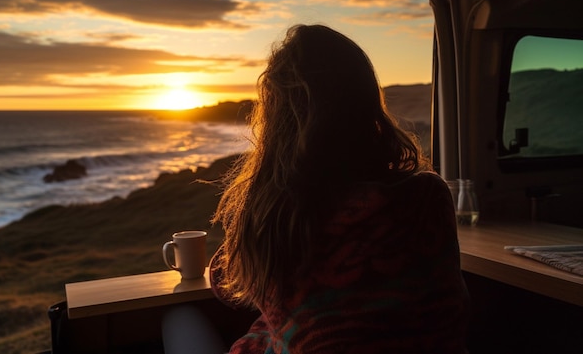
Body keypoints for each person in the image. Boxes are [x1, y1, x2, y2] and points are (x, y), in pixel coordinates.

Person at [162, 24, 470, 354]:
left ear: (278, 118)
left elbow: (228, 285)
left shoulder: (278, 212)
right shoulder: (429, 196)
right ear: (367, 102)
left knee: (180, 319)